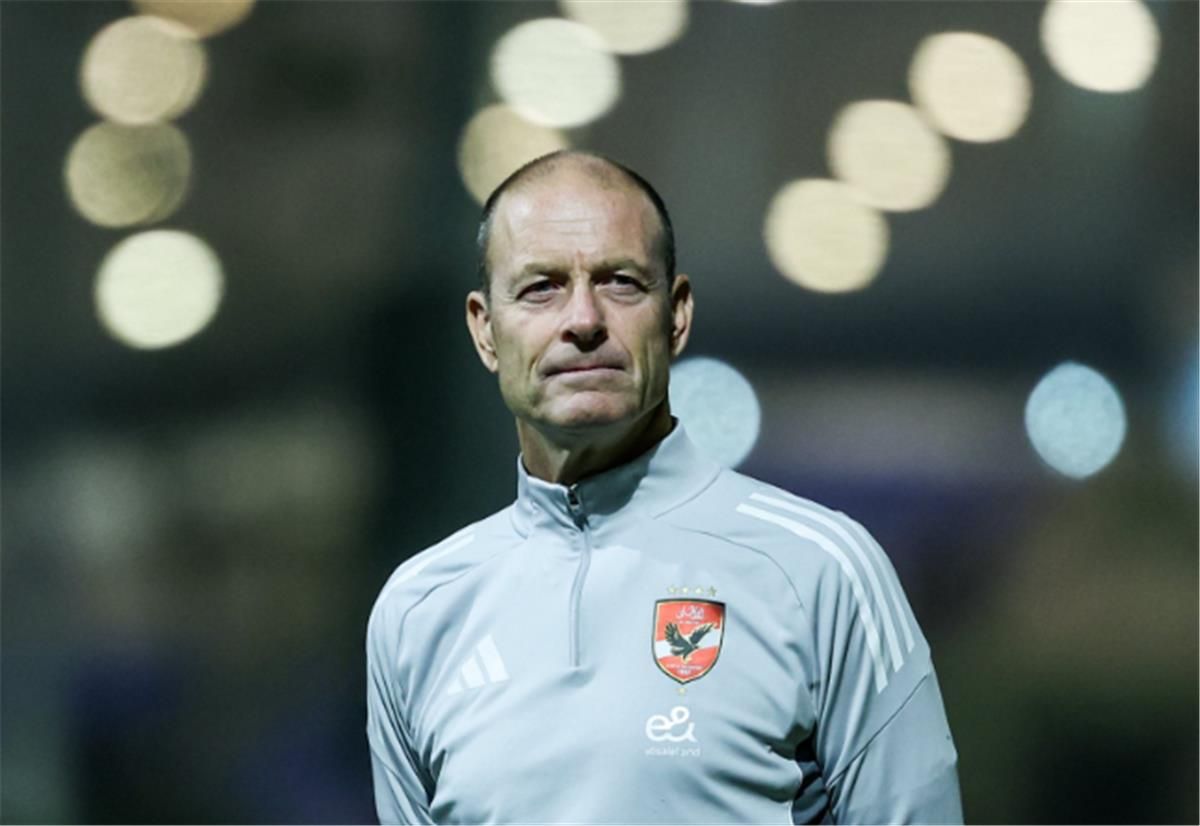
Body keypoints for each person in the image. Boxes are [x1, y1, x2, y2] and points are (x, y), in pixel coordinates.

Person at [365, 150, 962, 824]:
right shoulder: (419, 611)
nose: (583, 319)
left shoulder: (820, 571)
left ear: (676, 315)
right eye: (541, 288)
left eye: (620, 282)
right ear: (484, 330)